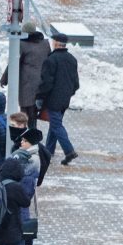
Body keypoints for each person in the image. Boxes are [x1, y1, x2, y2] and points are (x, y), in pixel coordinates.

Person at [36, 31, 80, 165]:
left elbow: (46, 83)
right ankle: (49, 151)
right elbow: (76, 83)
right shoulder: (72, 59)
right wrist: (68, 94)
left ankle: (69, 151)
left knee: (56, 126)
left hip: (53, 100)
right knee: (54, 125)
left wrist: (40, 97)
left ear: (55, 43)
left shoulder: (51, 60)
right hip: (65, 100)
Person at [0, 21, 50, 128]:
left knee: (26, 115)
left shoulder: (22, 45)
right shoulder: (45, 43)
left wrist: (4, 79)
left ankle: (29, 139)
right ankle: (32, 137)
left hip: (27, 86)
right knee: (34, 114)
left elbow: (13, 64)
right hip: (42, 85)